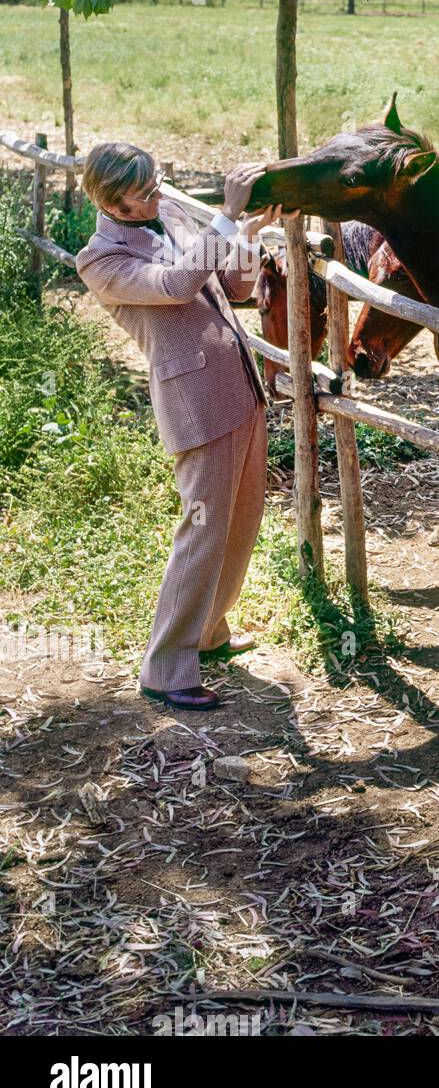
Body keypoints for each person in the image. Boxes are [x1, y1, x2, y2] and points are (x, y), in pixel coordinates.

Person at [75, 143, 291, 710]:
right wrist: (225, 215)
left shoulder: (168, 214)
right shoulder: (99, 261)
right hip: (195, 404)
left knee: (240, 521)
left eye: (156, 183)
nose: (155, 196)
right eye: (141, 193)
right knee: (201, 531)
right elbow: (176, 286)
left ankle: (208, 633)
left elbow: (235, 289)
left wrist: (248, 235)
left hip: (240, 388)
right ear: (110, 204)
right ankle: (166, 667)